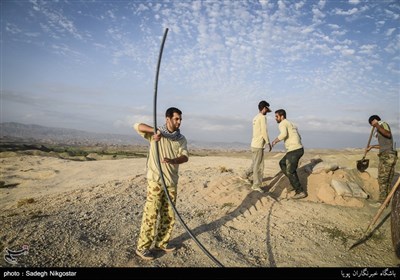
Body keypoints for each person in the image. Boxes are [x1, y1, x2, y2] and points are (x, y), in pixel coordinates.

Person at [134, 107, 189, 261]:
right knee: (151, 214)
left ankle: (161, 243)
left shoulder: (181, 138)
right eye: (176, 119)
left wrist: (173, 161)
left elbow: (185, 157)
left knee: (169, 215)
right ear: (168, 119)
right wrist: (154, 132)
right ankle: (142, 248)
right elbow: (136, 125)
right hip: (156, 181)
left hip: (171, 182)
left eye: (180, 119)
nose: (179, 122)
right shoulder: (155, 134)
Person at [271, 109, 306, 199]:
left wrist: (275, 141)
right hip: (298, 149)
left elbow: (283, 134)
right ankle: (293, 182)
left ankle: (300, 191)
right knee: (282, 163)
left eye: (277, 116)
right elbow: (299, 136)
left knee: (290, 171)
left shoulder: (282, 123)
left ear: (282, 116)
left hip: (294, 150)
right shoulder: (292, 124)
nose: (275, 118)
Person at [242, 100, 272, 193]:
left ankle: (245, 175)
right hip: (259, 145)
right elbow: (264, 131)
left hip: (253, 144)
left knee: (255, 163)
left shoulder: (255, 117)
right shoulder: (262, 117)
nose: (267, 112)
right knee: (259, 166)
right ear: (264, 108)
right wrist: (268, 142)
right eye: (267, 109)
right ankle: (256, 185)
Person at [367, 115, 398, 203]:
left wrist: (376, 125)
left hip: (387, 156)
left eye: (371, 124)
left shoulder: (383, 124)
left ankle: (381, 202)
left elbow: (388, 134)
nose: (372, 127)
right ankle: (386, 202)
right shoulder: (380, 128)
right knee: (388, 180)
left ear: (374, 121)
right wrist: (372, 146)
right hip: (387, 155)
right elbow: (384, 145)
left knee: (382, 180)